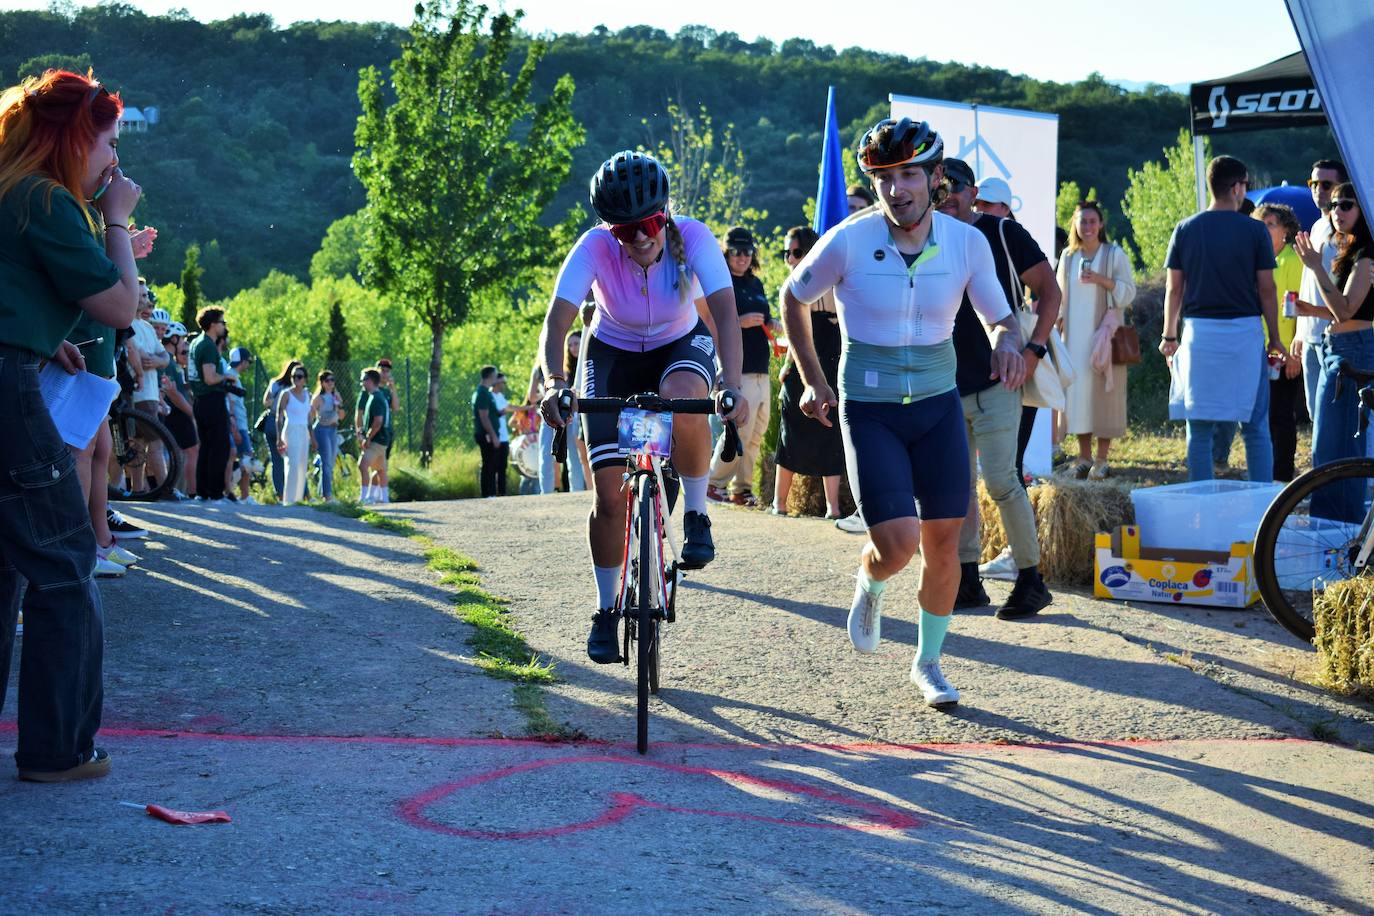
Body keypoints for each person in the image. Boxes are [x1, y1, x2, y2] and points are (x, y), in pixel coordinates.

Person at [783, 118, 1023, 705]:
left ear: (935, 177)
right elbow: (792, 296)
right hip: (871, 407)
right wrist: (813, 381)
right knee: (897, 545)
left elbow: (1001, 316)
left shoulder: (967, 243)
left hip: (939, 405)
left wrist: (1006, 342)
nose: (897, 189)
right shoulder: (849, 239)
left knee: (945, 543)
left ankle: (929, 663)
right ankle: (870, 580)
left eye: (909, 173)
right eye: (884, 177)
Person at [538, 150, 746, 665]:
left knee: (685, 399)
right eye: (625, 229)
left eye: (651, 223)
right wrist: (554, 383)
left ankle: (696, 513)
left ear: (667, 214)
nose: (640, 237)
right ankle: (606, 610)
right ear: (609, 229)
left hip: (679, 343)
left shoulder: (693, 237)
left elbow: (724, 310)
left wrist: (732, 385)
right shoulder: (593, 246)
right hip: (611, 351)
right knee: (608, 497)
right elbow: (556, 322)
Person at [0, 68, 144, 781]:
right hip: (9, 394)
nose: (113, 163)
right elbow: (120, 307)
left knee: (3, 570)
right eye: (108, 143)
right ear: (76, 138)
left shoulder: (7, 191)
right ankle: (60, 749)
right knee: (65, 569)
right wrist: (116, 218)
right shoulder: (45, 199)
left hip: (13, 367)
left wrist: (33, 334)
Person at [939, 158, 1060, 620]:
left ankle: (1032, 581)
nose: (947, 195)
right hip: (946, 385)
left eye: (956, 187)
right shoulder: (927, 238)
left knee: (1002, 481)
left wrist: (1034, 351)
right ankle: (968, 582)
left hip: (998, 380)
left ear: (974, 192)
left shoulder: (1003, 233)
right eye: (939, 188)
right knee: (959, 486)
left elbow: (1050, 291)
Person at [1161, 156, 1282, 483]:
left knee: (1198, 431)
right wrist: (1275, 337)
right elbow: (1267, 290)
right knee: (1256, 427)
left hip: (1200, 335)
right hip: (1244, 335)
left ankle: (1200, 506)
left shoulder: (1185, 228)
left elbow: (1174, 290)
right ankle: (1263, 510)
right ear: (1237, 186)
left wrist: (1168, 336)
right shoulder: (1256, 230)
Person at [1298, 182, 1374, 522]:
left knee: (1338, 448)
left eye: (1346, 205)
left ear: (1363, 210)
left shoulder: (1367, 254)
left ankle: (1340, 534)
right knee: (1325, 448)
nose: (1337, 212)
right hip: (1339, 348)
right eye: (1333, 206)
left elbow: (1347, 311)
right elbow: (1344, 311)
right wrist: (1312, 312)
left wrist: (1315, 266)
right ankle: (1330, 530)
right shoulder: (1350, 251)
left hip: (1354, 353)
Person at [1057, 200, 1138, 480]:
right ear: (1075, 225)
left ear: (1101, 224)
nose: (1088, 226)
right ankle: (1083, 456)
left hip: (1104, 338)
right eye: (1083, 221)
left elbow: (1128, 293)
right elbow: (1058, 297)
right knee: (1078, 397)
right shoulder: (1068, 257)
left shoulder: (1114, 254)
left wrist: (1102, 280)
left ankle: (1102, 459)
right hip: (1074, 339)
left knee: (1105, 395)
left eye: (1093, 221)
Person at [772, 226, 844, 519]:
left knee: (832, 434)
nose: (791, 258)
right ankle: (779, 503)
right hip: (802, 368)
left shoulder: (833, 281)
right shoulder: (792, 285)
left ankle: (834, 507)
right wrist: (788, 368)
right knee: (790, 433)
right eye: (787, 252)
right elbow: (795, 337)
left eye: (797, 252)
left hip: (833, 362)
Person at [708, 226, 778, 507]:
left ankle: (742, 488)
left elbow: (764, 318)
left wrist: (770, 323)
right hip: (737, 369)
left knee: (757, 433)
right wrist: (739, 321)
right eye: (736, 251)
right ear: (726, 253)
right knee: (737, 429)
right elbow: (711, 323)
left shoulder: (756, 284)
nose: (742, 257)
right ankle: (713, 483)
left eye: (747, 252)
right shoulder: (720, 283)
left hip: (761, 365)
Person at [1254, 203, 1306, 482]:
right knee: (1258, 419)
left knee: (1281, 416)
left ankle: (1283, 477)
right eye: (1260, 223)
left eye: (1271, 223)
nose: (1264, 228)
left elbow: (1300, 307)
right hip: (1254, 350)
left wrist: (1295, 354)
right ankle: (1263, 474)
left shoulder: (1293, 261)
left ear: (1285, 230)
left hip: (1284, 352)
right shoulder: (1254, 260)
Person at [1296, 160, 1349, 417]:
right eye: (1313, 183)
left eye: (1326, 184)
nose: (1318, 189)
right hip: (1311, 337)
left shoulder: (1346, 230)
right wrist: (1299, 331)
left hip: (1336, 337)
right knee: (1315, 414)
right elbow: (1309, 283)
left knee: (1336, 416)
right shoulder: (1317, 227)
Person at [186, 308, 235, 502]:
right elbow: (209, 377)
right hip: (211, 401)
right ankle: (215, 493)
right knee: (219, 447)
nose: (225, 326)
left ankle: (203, 492)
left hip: (201, 401)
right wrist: (227, 376)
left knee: (206, 447)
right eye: (223, 322)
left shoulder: (197, 342)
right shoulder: (207, 345)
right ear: (213, 324)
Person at [160, 323, 200, 501]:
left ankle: (183, 491)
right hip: (177, 412)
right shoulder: (168, 361)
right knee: (190, 451)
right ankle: (190, 493)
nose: (184, 344)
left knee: (184, 453)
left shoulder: (172, 362)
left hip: (178, 411)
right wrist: (192, 412)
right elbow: (173, 392)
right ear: (174, 339)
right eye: (183, 340)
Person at [275, 362, 313, 505]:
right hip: (291, 429)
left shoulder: (307, 394)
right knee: (293, 464)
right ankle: (288, 500)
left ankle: (297, 499)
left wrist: (313, 437)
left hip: (303, 431)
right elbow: (279, 416)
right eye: (293, 376)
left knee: (302, 465)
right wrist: (279, 438)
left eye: (299, 376)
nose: (296, 379)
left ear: (305, 379)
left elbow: (309, 418)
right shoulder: (286, 394)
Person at [263, 359, 300, 500]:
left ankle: (280, 494)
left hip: (271, 422)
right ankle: (296, 493)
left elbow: (265, 401)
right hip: (285, 423)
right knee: (292, 458)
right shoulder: (293, 391)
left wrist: (274, 404)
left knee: (276, 461)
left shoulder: (275, 383)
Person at [357, 368, 391, 504]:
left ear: (370, 381)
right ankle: (385, 499)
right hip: (382, 440)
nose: (362, 383)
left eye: (364, 380)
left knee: (362, 465)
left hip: (376, 440)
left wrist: (368, 438)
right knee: (381, 469)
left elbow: (378, 421)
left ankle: (364, 498)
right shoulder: (376, 396)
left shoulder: (376, 398)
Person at [312, 369, 343, 502]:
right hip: (322, 430)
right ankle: (327, 496)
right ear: (322, 383)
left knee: (330, 463)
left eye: (332, 380)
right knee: (326, 463)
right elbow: (311, 415)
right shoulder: (318, 398)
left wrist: (338, 407)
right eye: (327, 380)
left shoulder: (336, 395)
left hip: (333, 430)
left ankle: (323, 492)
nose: (330, 383)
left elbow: (341, 412)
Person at [472, 365, 501, 498]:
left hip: (488, 434)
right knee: (489, 464)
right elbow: (483, 416)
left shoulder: (486, 392)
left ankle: (489, 493)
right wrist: (492, 435)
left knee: (491, 463)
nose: (497, 377)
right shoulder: (482, 393)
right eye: (495, 375)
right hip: (486, 435)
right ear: (490, 376)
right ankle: (488, 493)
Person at [490, 371, 513, 497]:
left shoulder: (500, 396)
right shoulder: (490, 396)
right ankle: (491, 492)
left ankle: (502, 493)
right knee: (492, 466)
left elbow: (509, 407)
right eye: (503, 382)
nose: (504, 385)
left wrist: (526, 408)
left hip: (503, 437)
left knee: (502, 467)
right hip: (495, 436)